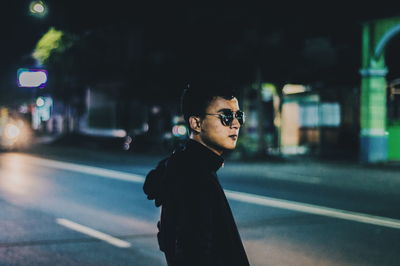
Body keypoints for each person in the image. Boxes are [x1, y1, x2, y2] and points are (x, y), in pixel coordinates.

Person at [143, 85, 249, 266]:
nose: (236, 124)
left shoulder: (183, 166)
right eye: (226, 116)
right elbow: (193, 255)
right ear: (196, 123)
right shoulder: (195, 177)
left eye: (239, 116)